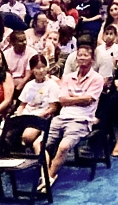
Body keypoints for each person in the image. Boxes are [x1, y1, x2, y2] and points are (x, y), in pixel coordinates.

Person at [43, 42, 104, 184]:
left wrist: (72, 97)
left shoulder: (97, 79)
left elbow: (89, 100)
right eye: (79, 56)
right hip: (62, 117)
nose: (81, 58)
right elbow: (62, 100)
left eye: (85, 55)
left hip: (82, 120)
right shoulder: (68, 77)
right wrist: (78, 99)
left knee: (64, 147)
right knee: (41, 145)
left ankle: (49, 178)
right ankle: (45, 174)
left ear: (92, 59)